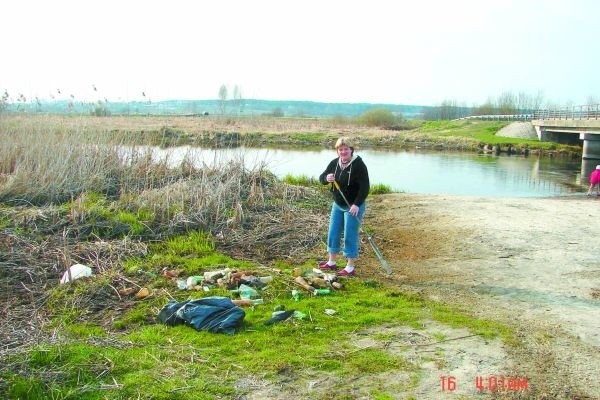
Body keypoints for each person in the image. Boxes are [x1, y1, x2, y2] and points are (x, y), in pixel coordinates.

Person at [318, 137, 370, 276]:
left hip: (352, 206)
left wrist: (357, 204)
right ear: (337, 151)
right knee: (333, 232)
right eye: (340, 149)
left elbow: (365, 188)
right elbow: (322, 177)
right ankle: (332, 262)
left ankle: (350, 266)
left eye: (346, 149)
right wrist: (326, 179)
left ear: (351, 149)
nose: (343, 152)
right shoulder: (334, 163)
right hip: (338, 204)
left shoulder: (359, 165)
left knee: (349, 234)